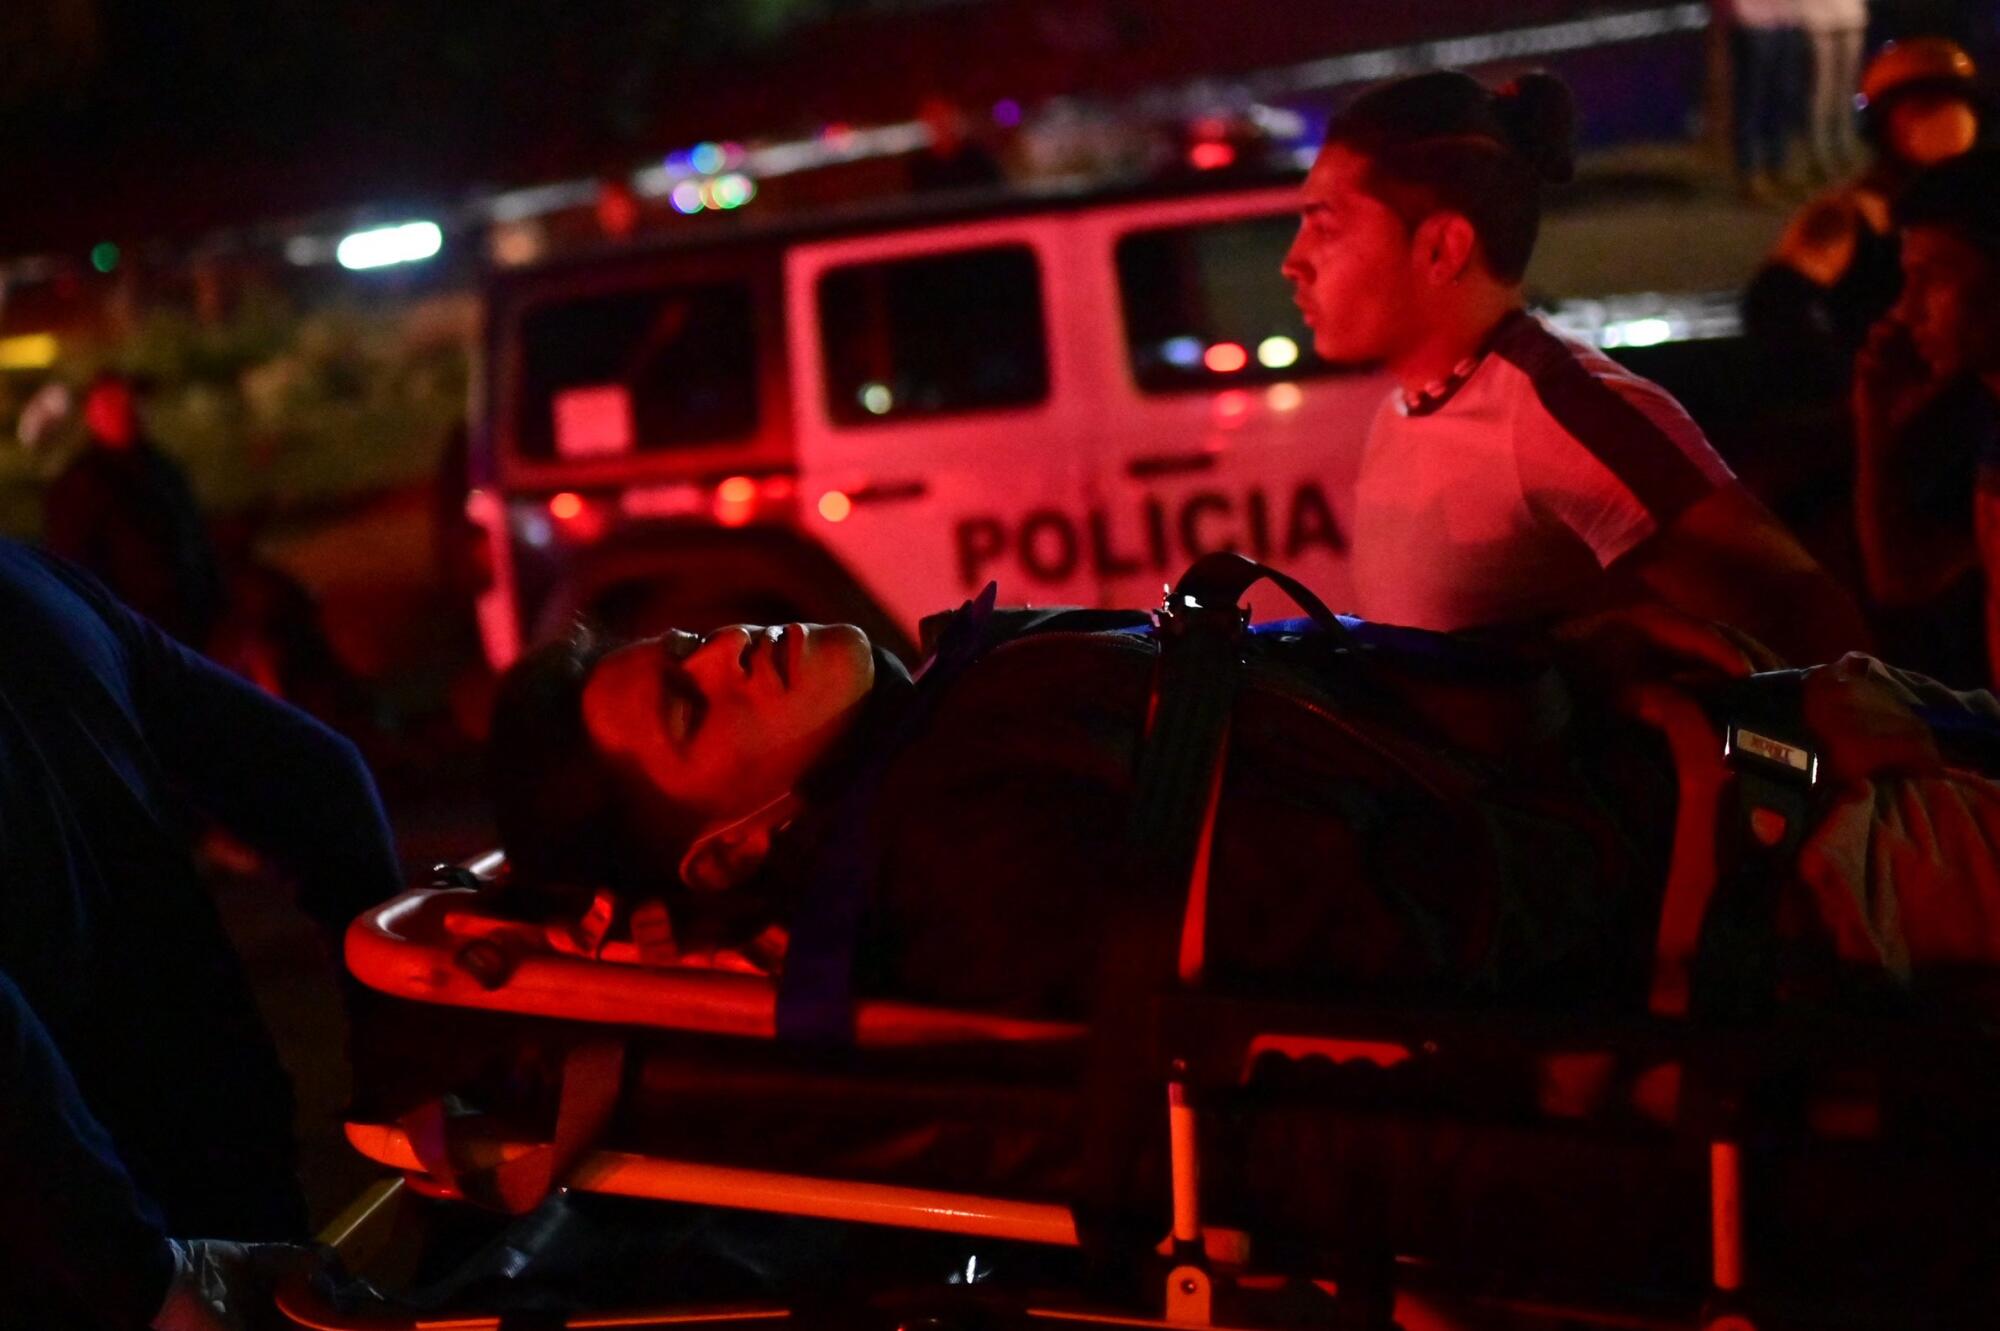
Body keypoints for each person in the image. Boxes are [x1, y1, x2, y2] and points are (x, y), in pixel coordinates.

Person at [1278, 69, 1868, 666]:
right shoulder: (1402, 406)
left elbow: (1817, 629)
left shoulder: (1562, 411)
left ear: (1441, 248)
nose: (1293, 262)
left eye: (1324, 226)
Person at [0, 539, 404, 1327]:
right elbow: (323, 780)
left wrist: (143, 1281)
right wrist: (405, 1061)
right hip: (228, 1153)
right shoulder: (28, 581)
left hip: (70, 1262)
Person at [1744, 37, 1982, 379]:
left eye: (1955, 102)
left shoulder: (1978, 206)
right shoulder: (1854, 214)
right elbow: (1776, 303)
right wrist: (1847, 379)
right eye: (1925, 105)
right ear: (1883, 124)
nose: (1948, 118)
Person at [1852, 148, 2000, 686]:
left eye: (1931, 279)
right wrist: (1876, 428)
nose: (1904, 312)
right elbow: (1902, 579)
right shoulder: (1984, 422)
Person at [43, 373, 225, 649]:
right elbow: (74, 561)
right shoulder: (80, 486)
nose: (126, 411)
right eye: (112, 405)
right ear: (93, 415)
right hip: (131, 630)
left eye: (131, 403)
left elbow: (193, 534)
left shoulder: (162, 469)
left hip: (188, 622)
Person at [1717, 0, 1811, 201]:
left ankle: (1777, 167)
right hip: (1752, 21)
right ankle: (1750, 173)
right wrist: (1737, 12)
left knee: (1782, 97)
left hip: (1786, 20)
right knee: (1751, 99)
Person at [1802, 0, 1870, 180]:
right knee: (1823, 89)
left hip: (1851, 16)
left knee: (1847, 88)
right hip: (1817, 18)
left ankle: (1845, 145)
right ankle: (1820, 152)